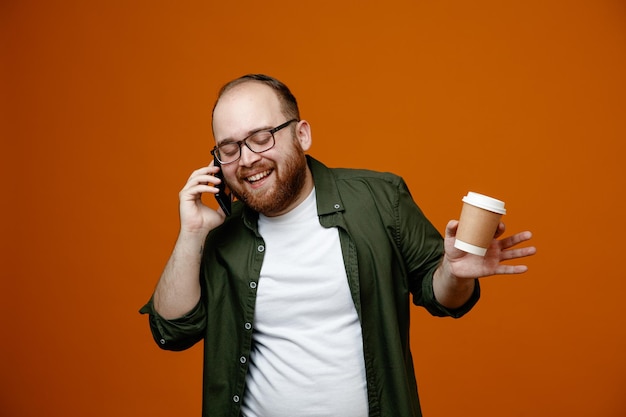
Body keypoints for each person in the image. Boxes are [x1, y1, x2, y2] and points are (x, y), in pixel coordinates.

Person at [140, 74, 536, 417]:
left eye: (261, 138)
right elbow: (171, 333)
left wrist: (454, 272)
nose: (246, 159)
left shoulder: (381, 199)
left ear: (302, 134)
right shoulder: (220, 234)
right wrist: (191, 233)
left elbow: (442, 297)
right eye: (229, 148)